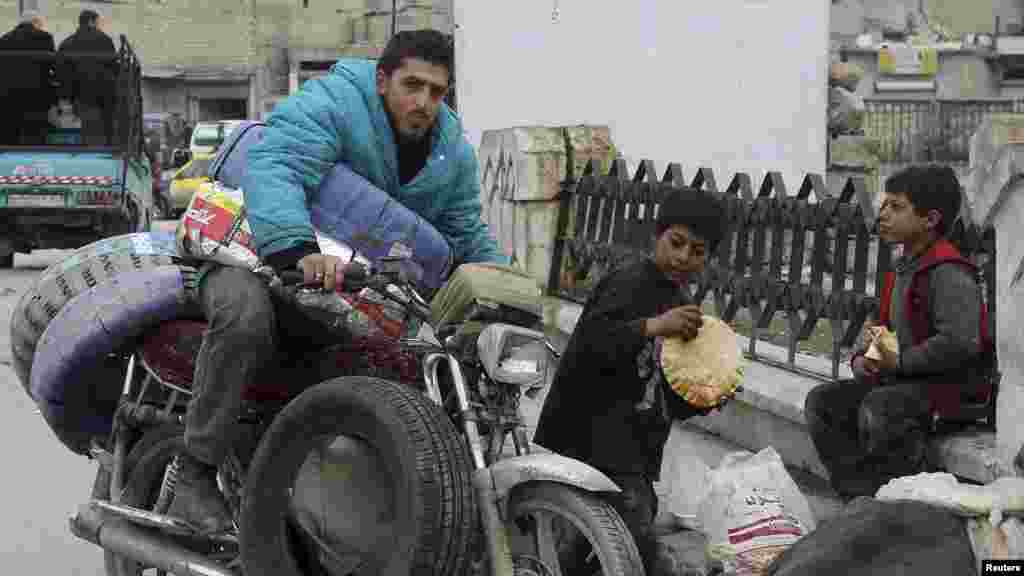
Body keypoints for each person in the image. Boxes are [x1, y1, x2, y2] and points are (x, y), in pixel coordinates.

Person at [165, 29, 508, 533]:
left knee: (408, 368)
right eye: (412, 85)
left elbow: (464, 233)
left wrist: (506, 292)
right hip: (252, 254)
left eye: (437, 92)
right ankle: (195, 473)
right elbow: (278, 164)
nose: (424, 102)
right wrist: (296, 248)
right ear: (382, 79)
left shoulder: (449, 151)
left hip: (349, 289)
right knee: (245, 320)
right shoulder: (335, 101)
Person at [533, 187, 726, 575]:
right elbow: (590, 345)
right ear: (657, 236)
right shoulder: (629, 281)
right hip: (591, 439)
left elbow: (672, 391)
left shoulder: (681, 302)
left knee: (597, 544)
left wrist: (707, 393)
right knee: (631, 539)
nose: (683, 257)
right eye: (676, 243)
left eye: (698, 251)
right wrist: (654, 326)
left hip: (636, 451)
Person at [804, 164, 993, 501]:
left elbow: (961, 343)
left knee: (882, 408)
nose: (883, 215)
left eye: (896, 207)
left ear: (930, 219)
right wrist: (866, 358)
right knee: (824, 402)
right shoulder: (903, 267)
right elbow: (885, 331)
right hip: (906, 380)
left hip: (951, 390)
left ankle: (903, 503)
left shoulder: (947, 271)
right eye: (883, 205)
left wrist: (899, 361)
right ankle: (860, 498)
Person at [58, 10, 117, 146]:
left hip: (80, 95)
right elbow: (113, 66)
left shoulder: (67, 43)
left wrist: (66, 96)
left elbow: (61, 70)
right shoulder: (104, 39)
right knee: (104, 130)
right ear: (91, 22)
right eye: (98, 22)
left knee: (87, 129)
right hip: (104, 93)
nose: (99, 25)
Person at [0, 11, 56, 146]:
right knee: (35, 134)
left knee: (10, 133)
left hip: (8, 94)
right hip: (36, 93)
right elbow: (52, 63)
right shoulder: (45, 37)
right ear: (35, 22)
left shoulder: (4, 39)